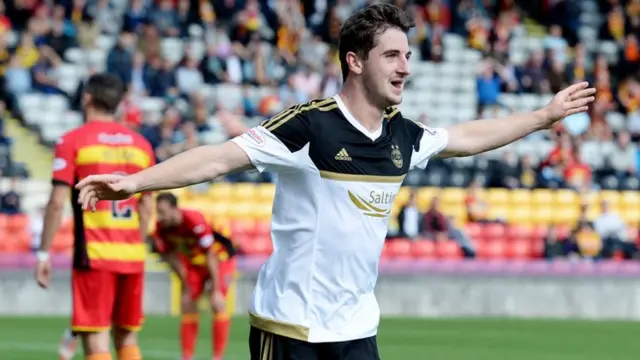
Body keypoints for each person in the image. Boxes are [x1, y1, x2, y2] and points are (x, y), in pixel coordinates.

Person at [75, 4, 595, 360]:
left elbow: (466, 136)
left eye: (408, 56)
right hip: (290, 327)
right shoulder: (309, 126)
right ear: (354, 60)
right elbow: (217, 159)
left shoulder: (404, 136)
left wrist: (541, 116)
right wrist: (135, 183)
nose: (405, 68)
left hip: (356, 330)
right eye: (392, 55)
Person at [35, 73, 155, 360]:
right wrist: (136, 245)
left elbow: (56, 202)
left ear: (87, 97)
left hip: (95, 254)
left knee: (96, 337)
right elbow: (147, 207)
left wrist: (43, 254)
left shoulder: (73, 140)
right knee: (127, 335)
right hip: (132, 256)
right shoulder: (141, 145)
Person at [152, 192, 236, 360]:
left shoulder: (194, 220)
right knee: (187, 302)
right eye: (158, 211)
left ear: (175, 209)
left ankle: (217, 357)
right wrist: (184, 282)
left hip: (219, 260)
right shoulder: (161, 228)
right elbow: (170, 255)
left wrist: (216, 289)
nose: (160, 216)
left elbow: (210, 254)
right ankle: (187, 356)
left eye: (163, 211)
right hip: (194, 264)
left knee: (218, 303)